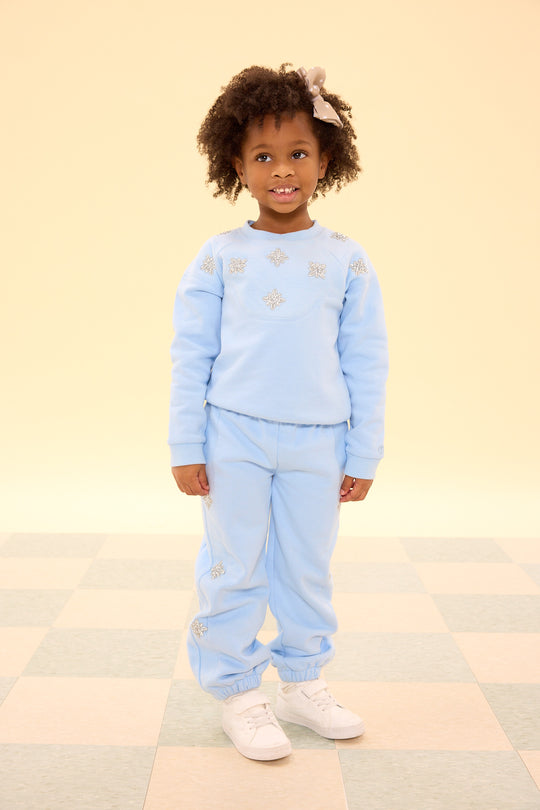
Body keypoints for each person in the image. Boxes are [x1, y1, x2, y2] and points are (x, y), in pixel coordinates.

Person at [169, 64, 389, 761]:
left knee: (306, 567)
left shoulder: (348, 261)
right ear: (237, 165)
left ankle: (300, 682)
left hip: (319, 442)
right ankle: (237, 689)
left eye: (298, 153)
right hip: (232, 434)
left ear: (326, 160)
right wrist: (186, 444)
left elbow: (367, 361)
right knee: (235, 565)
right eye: (263, 157)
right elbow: (190, 356)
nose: (282, 170)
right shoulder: (220, 257)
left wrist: (364, 454)